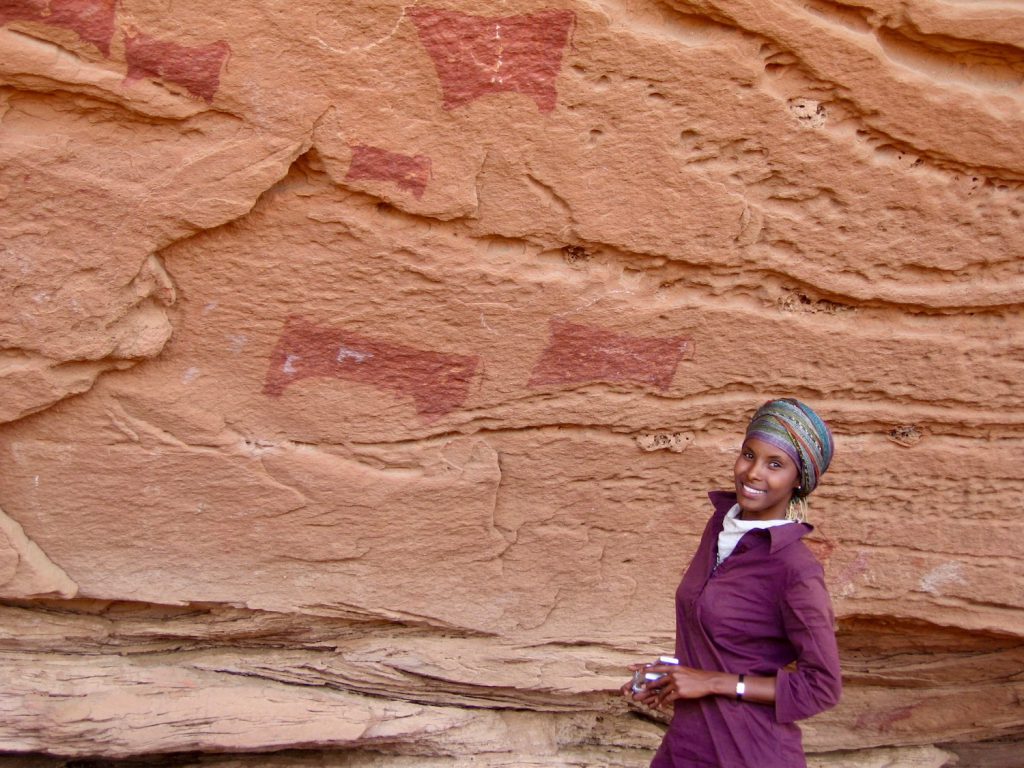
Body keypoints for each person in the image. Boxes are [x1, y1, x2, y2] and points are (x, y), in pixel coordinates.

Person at [623, 398, 842, 767]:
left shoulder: (794, 567)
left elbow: (822, 687)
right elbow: (718, 633)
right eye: (748, 455)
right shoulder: (720, 527)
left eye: (776, 464)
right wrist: (671, 675)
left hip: (750, 752)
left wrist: (711, 681)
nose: (753, 473)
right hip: (687, 746)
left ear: (799, 480)